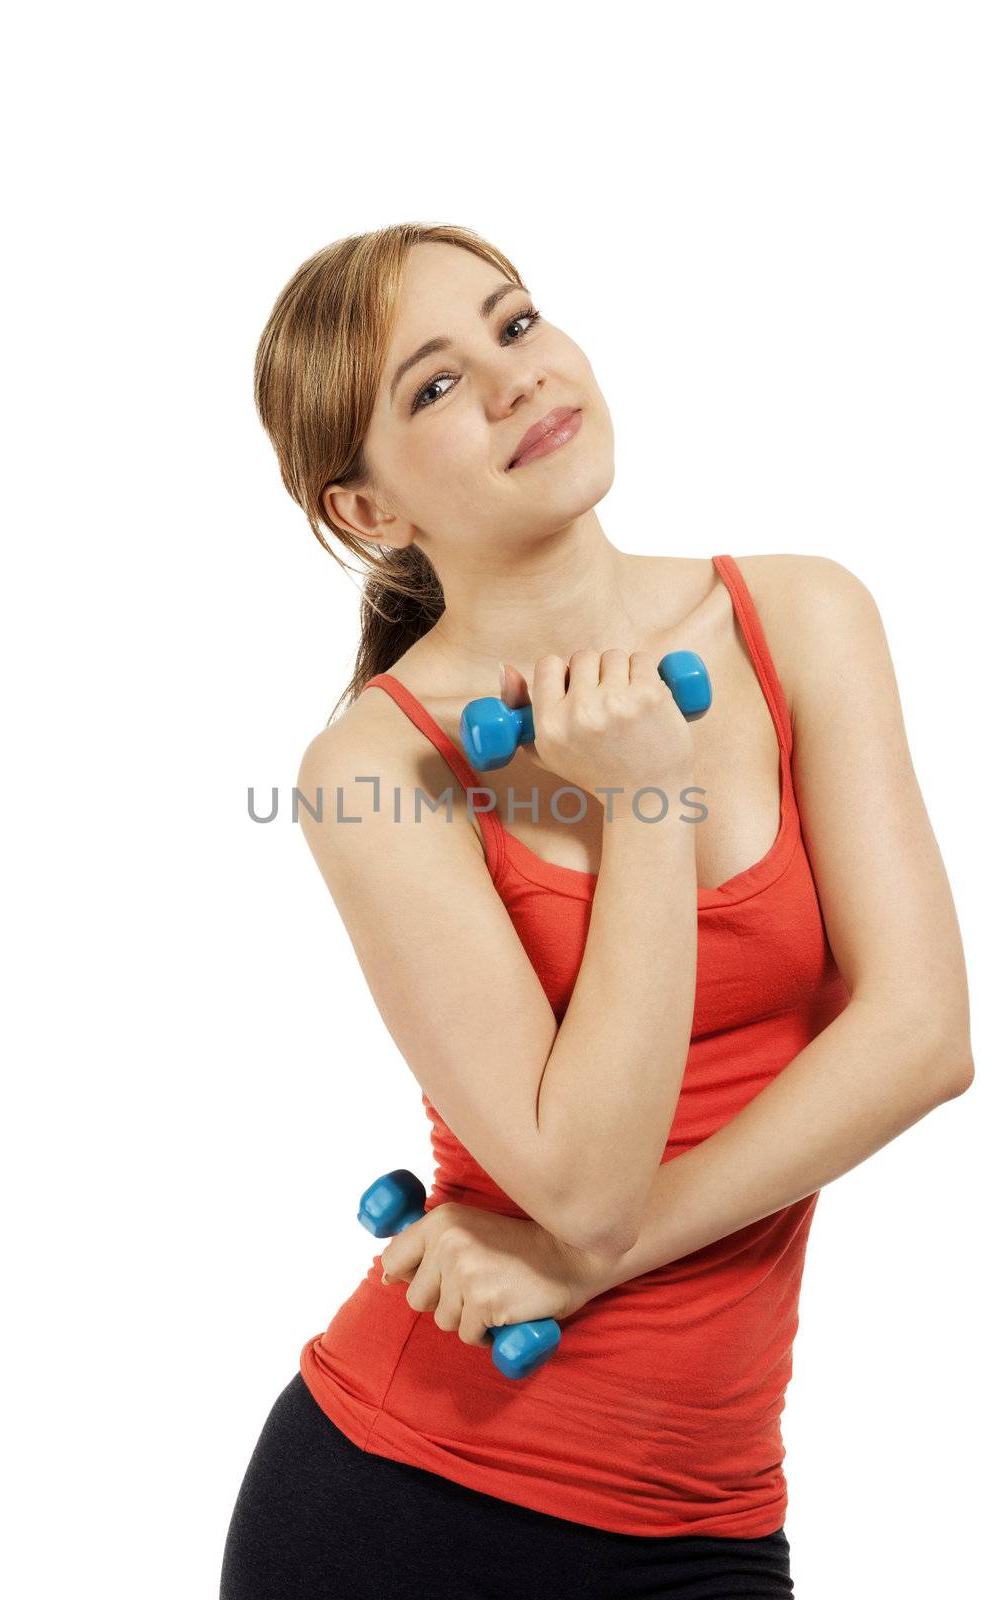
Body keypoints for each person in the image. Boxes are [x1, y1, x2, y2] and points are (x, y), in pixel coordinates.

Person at [219, 222, 974, 1599]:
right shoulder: (376, 769)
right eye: (434, 386)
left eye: (514, 325)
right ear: (368, 512)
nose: (515, 380)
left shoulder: (800, 617)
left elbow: (924, 1036)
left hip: (708, 1513)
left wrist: (575, 1273)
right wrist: (643, 801)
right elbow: (583, 1183)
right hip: (403, 1504)